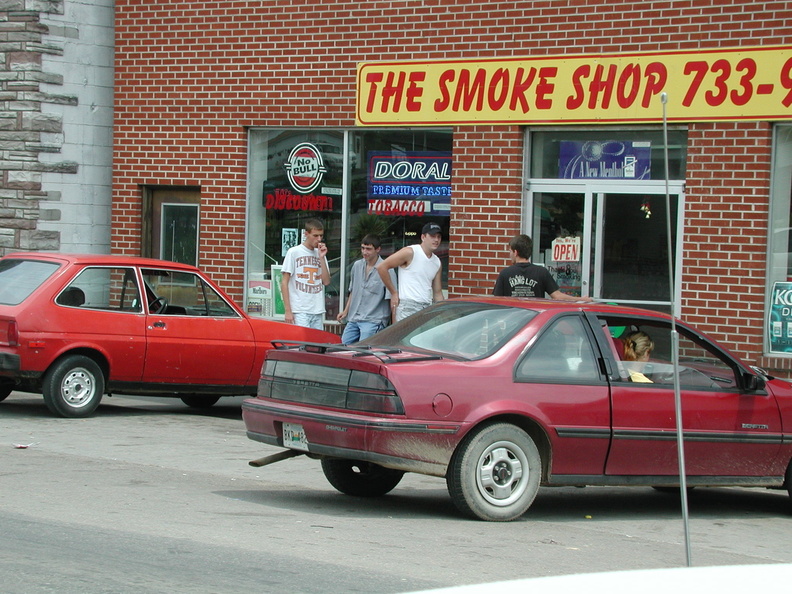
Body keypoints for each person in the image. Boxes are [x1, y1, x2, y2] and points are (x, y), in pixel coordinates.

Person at [493, 234, 593, 301]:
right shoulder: (541, 272)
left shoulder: (505, 273)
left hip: (514, 322)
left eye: (510, 251)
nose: (509, 254)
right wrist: (582, 299)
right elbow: (557, 296)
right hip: (535, 322)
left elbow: (497, 302)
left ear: (515, 252)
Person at [378, 222, 444, 322]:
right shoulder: (410, 252)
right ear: (423, 237)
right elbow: (382, 267)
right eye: (432, 236)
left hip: (426, 307)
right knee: (404, 337)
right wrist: (394, 293)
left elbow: (438, 293)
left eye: (438, 237)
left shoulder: (437, 262)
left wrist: (442, 314)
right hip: (407, 306)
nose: (436, 240)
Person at [337, 234, 396, 344]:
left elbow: (393, 299)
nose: (364, 252)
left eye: (368, 249)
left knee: (364, 351)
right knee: (343, 348)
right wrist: (345, 311)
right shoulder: (357, 265)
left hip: (374, 320)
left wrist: (394, 325)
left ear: (378, 249)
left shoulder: (387, 269)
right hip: (354, 317)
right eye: (363, 248)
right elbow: (353, 291)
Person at [280, 218, 331, 329]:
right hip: (299, 309)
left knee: (316, 344)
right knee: (302, 343)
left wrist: (321, 258)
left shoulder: (320, 253)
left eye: (321, 236)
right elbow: (284, 282)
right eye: (315, 236)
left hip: (317, 308)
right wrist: (288, 311)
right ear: (306, 234)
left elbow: (326, 281)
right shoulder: (294, 252)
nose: (319, 239)